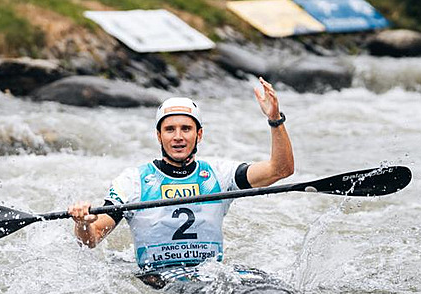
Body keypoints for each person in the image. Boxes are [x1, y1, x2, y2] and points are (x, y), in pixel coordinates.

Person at [69, 77, 294, 280]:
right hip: (157, 277)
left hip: (209, 272)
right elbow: (92, 239)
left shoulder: (219, 174)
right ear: (159, 136)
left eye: (186, 129)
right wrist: (82, 223)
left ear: (199, 134)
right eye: (170, 129)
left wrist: (275, 120)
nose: (178, 137)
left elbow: (280, 169)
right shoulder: (134, 181)